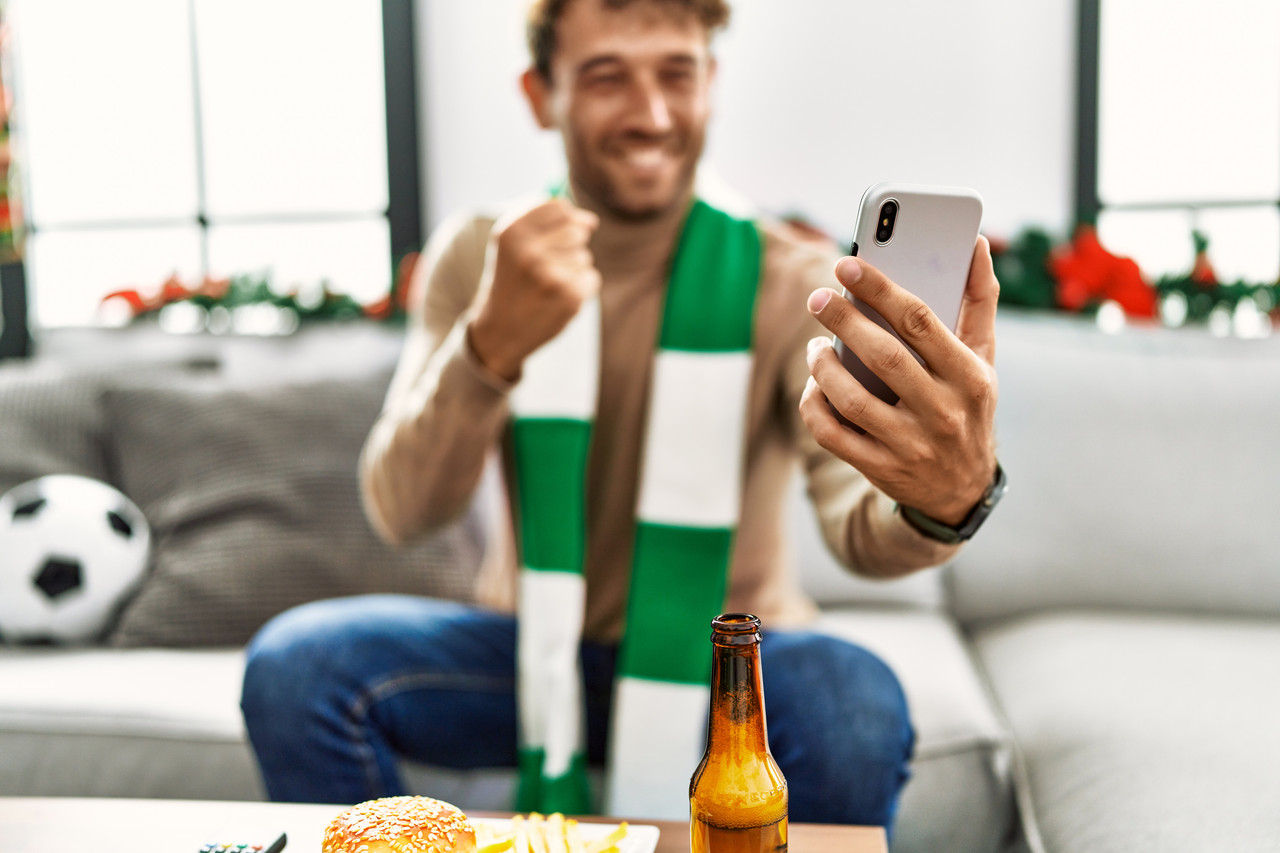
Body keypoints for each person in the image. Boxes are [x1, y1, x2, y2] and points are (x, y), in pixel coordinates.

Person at [240, 0, 1000, 834]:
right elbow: (403, 507)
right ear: (541, 94)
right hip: (532, 658)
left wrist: (947, 497)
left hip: (732, 671)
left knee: (853, 696)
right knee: (295, 666)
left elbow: (858, 528)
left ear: (710, 82)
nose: (653, 114)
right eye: (608, 78)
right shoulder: (489, 255)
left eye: (678, 73)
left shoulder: (790, 278)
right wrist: (489, 346)